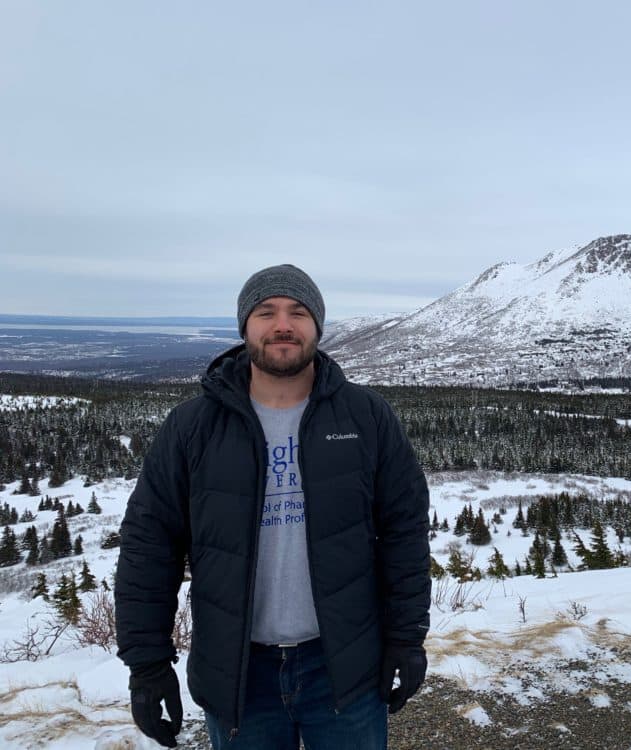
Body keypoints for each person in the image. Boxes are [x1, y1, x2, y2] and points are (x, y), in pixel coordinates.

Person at [115, 264, 431, 749]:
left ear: (317, 327)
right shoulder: (192, 427)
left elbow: (404, 530)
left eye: (297, 312)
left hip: (345, 665)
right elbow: (149, 546)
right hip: (239, 673)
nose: (283, 324)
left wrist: (406, 638)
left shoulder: (366, 417)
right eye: (267, 312)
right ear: (245, 327)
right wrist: (147, 663)